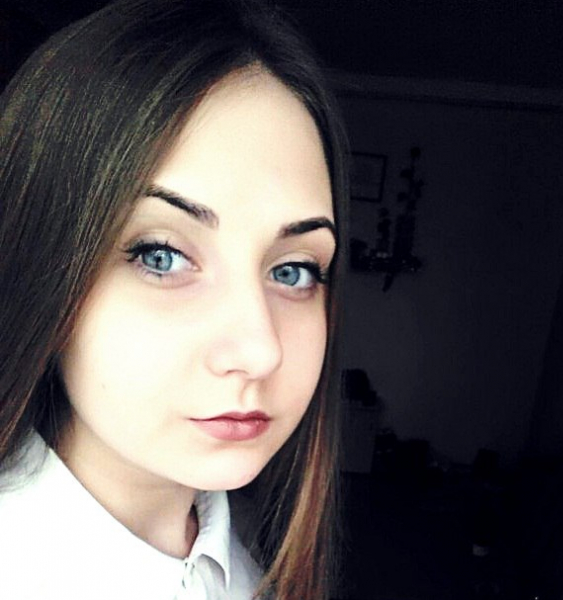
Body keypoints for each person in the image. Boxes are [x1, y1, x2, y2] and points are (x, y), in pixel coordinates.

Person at [0, 0, 348, 598]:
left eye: (292, 271)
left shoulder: (247, 562)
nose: (261, 351)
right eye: (161, 255)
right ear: (41, 265)